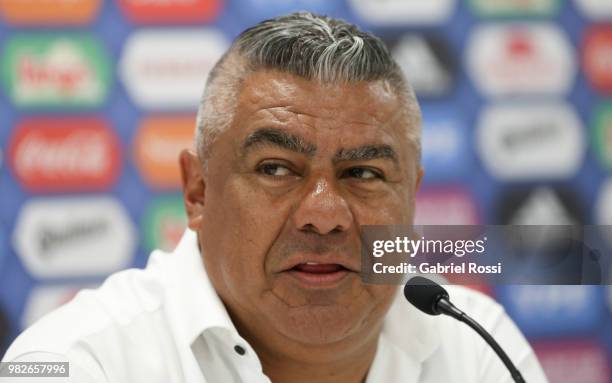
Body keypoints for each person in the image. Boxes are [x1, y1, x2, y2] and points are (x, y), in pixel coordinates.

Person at [2, 12, 548, 383]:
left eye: (363, 173)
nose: (325, 216)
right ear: (198, 192)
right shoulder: (80, 362)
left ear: (412, 197)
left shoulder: (477, 346)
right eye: (276, 168)